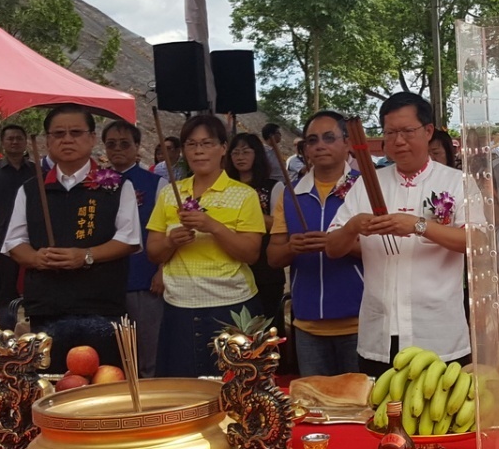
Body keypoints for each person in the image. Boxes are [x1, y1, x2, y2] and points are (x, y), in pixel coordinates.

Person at [325, 92, 475, 377]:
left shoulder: (456, 182)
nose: (399, 141)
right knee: (380, 418)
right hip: (379, 336)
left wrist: (418, 225)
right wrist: (354, 225)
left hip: (438, 333)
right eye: (391, 132)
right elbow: (333, 248)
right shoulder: (366, 184)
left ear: (428, 131)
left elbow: (476, 243)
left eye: (407, 131)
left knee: (443, 418)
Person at [2, 105, 141, 372]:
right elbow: (14, 242)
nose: (67, 139)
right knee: (51, 388)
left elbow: (129, 239)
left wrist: (85, 256)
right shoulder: (33, 189)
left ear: (91, 137)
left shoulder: (116, 186)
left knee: (104, 389)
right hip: (47, 306)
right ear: (47, 141)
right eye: (59, 133)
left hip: (101, 306)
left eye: (76, 132)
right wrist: (36, 258)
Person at [147, 114, 265, 378]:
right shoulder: (170, 193)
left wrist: (213, 227)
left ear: (223, 148)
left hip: (231, 305)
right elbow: (153, 251)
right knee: (182, 392)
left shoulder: (244, 195)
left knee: (234, 389)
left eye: (207, 143)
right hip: (179, 305)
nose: (199, 151)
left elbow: (251, 253)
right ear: (183, 150)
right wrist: (170, 241)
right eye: (191, 144)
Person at [268, 110, 364, 376]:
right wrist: (291, 248)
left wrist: (339, 243)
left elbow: (387, 249)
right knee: (316, 408)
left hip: (361, 322)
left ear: (347, 143)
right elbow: (273, 258)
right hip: (307, 324)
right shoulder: (291, 194)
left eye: (329, 137)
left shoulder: (366, 188)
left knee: (361, 406)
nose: (320, 145)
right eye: (312, 140)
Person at [102, 120, 163, 377]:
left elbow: (167, 231)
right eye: (111, 144)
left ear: (137, 147)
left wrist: (162, 270)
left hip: (143, 277)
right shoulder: (97, 183)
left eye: (125, 144)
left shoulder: (155, 184)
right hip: (105, 279)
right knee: (111, 355)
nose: (118, 149)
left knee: (148, 351)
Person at [225, 132, 287, 344]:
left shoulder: (273, 187)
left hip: (265, 265)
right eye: (235, 152)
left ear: (257, 155)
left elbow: (279, 224)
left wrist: (247, 217)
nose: (240, 156)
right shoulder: (225, 189)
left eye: (246, 151)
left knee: (266, 327)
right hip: (231, 263)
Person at [0, 124, 36, 331]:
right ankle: (7, 331)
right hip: (4, 234)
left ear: (25, 142)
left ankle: (36, 326)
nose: (14, 142)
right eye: (10, 138)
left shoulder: (35, 170)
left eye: (19, 138)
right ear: (3, 142)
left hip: (35, 234)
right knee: (6, 284)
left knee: (35, 281)